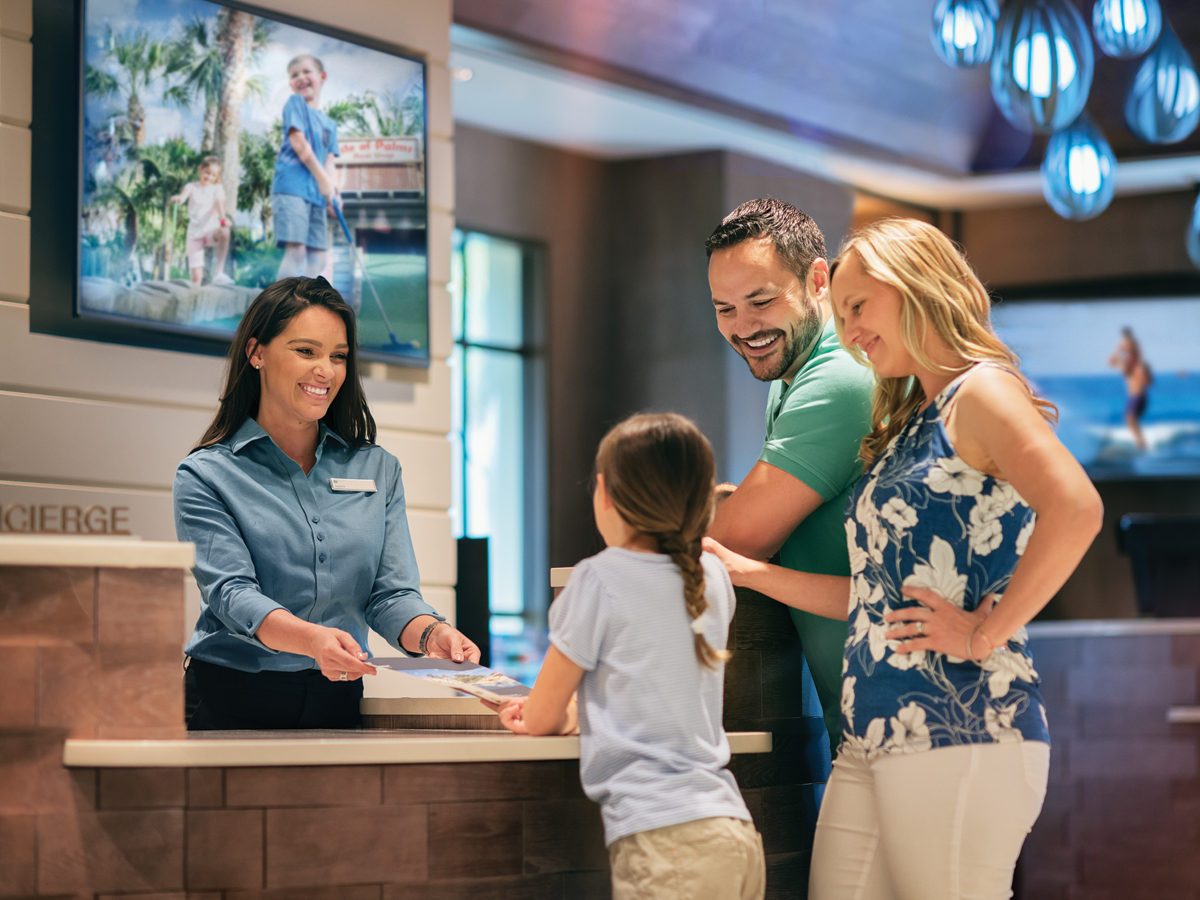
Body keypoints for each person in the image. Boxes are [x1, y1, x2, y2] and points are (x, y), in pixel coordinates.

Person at [705, 218, 1103, 899]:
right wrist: (751, 573)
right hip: (872, 734)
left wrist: (986, 630)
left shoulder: (982, 392)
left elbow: (1078, 508)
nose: (849, 327)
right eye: (846, 309)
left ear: (917, 289)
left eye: (860, 306)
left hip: (961, 724)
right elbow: (877, 600)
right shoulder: (910, 420)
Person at [175, 276, 480, 730]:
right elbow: (233, 596)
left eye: (338, 356)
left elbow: (389, 595)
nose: (326, 370)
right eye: (306, 351)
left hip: (336, 701)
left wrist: (433, 634)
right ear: (256, 353)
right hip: (230, 699)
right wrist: (312, 640)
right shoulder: (205, 474)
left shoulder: (379, 470)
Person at [492, 413, 765, 900]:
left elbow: (541, 716)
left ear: (605, 493)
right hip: (734, 831)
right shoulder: (713, 577)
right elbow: (656, 688)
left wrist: (536, 714)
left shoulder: (598, 578)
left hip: (666, 845)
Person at [705, 198, 874, 755]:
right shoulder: (792, 369)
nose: (744, 327)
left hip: (913, 715)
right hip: (863, 720)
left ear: (818, 279)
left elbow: (733, 541)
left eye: (760, 300)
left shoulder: (839, 378)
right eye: (724, 309)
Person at [272, 54, 340, 281]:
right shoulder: (295, 104)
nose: (301, 77)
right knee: (296, 252)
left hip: (316, 196)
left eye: (306, 71)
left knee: (319, 258)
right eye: (294, 75)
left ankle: (299, 305)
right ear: (291, 83)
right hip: (291, 187)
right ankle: (276, 313)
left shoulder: (330, 125)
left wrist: (334, 193)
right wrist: (324, 181)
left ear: (322, 77)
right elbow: (299, 143)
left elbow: (329, 162)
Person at [171, 156, 232, 286]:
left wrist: (222, 219)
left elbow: (218, 203)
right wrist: (179, 199)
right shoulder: (191, 186)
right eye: (207, 173)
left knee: (225, 233)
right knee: (196, 277)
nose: (210, 177)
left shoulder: (217, 188)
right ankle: (194, 302)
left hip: (210, 229)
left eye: (213, 175)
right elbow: (183, 196)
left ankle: (218, 274)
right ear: (200, 169)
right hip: (194, 234)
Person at [1109, 326, 1153, 451]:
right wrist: (1118, 349)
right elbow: (1111, 362)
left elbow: (1148, 382)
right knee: (1130, 420)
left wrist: (1141, 376)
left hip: (1139, 396)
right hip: (1134, 396)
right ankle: (1142, 444)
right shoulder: (1126, 363)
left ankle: (1142, 445)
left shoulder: (1138, 364)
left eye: (1128, 350)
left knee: (1130, 419)